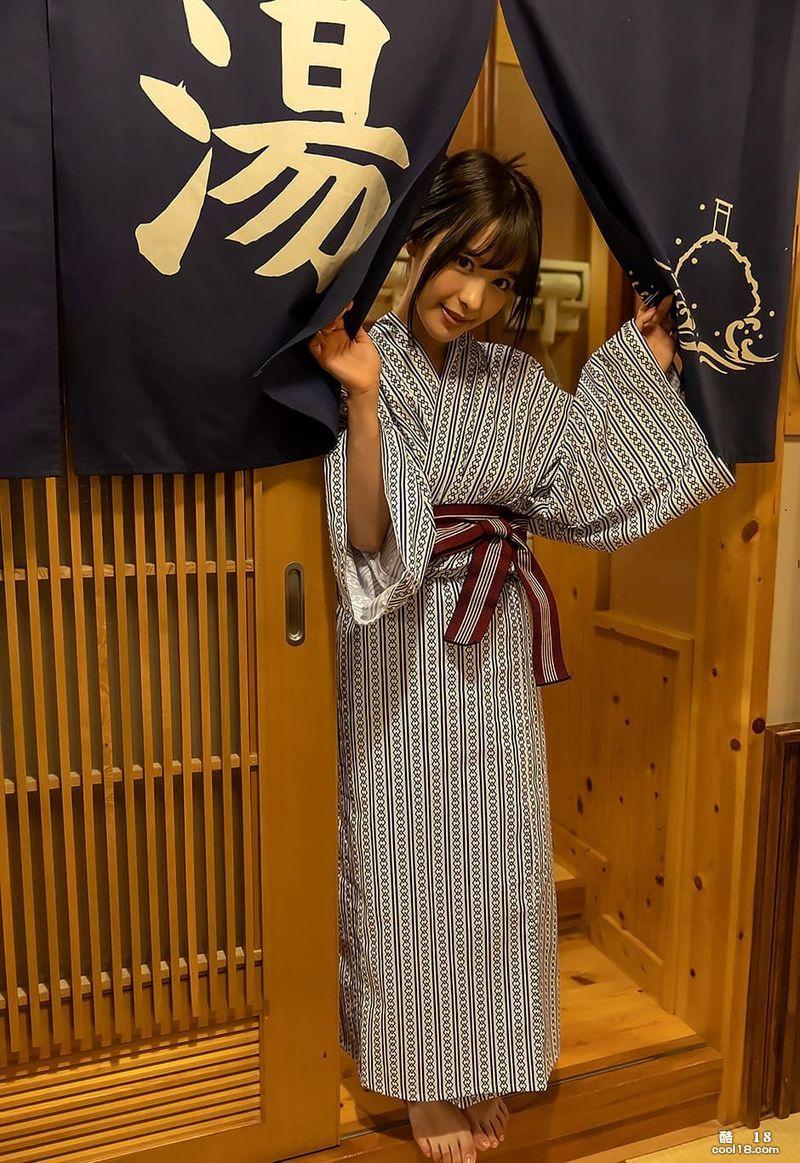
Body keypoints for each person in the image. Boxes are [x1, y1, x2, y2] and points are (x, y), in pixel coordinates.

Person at [308, 149, 736, 1163]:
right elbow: (366, 534)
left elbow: (578, 470)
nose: (474, 297)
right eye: (463, 262)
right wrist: (363, 400)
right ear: (416, 243)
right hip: (403, 643)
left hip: (495, 644)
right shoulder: (366, 354)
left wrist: (637, 366)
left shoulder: (511, 376)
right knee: (405, 855)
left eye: (501, 279)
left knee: (497, 858)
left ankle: (484, 1051)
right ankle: (420, 1076)